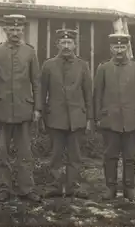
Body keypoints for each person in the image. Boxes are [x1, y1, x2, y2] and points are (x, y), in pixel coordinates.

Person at [0, 14, 42, 203]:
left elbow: (36, 82)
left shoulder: (30, 52)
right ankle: (4, 188)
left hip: (24, 109)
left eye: (18, 30)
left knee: (25, 152)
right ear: (5, 31)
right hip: (1, 109)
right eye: (12, 30)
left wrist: (37, 108)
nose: (15, 33)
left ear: (22, 31)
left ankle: (27, 189)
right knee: (2, 152)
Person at [94, 33, 135, 201]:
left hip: (132, 120)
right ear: (111, 49)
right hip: (110, 120)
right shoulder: (103, 68)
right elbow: (97, 95)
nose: (119, 50)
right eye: (116, 47)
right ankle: (110, 188)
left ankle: (129, 188)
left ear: (127, 48)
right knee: (110, 155)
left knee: (130, 156)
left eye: (122, 47)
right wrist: (97, 117)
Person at [40, 29, 93, 199]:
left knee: (75, 155)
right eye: (63, 43)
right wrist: (41, 115)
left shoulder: (83, 65)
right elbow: (42, 92)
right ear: (57, 45)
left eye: (69, 43)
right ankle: (55, 185)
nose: (66, 46)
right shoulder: (48, 65)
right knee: (55, 154)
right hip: (55, 116)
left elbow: (88, 93)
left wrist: (89, 117)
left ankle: (73, 186)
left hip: (77, 117)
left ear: (75, 45)